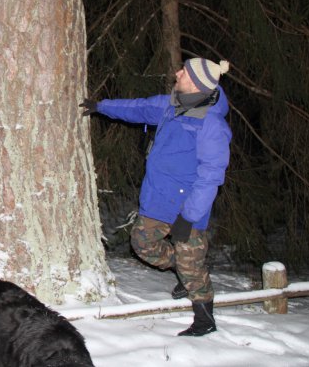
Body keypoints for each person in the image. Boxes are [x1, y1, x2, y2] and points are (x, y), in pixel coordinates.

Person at [82, 58, 231, 337]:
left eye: (184, 72)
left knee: (191, 262)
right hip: (158, 199)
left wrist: (189, 217)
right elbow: (139, 107)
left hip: (188, 208)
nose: (177, 73)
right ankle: (183, 268)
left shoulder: (211, 125)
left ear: (197, 83)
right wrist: (101, 106)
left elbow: (210, 176)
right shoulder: (171, 104)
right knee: (141, 243)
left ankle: (204, 318)